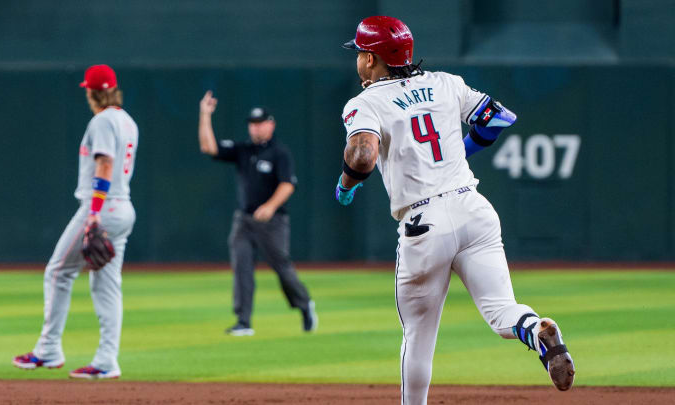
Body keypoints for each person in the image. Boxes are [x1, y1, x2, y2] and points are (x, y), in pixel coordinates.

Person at [335, 16, 575, 404]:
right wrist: (463, 150)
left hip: (423, 224)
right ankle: (537, 330)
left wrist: (345, 183)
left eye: (361, 53)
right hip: (472, 209)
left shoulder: (365, 102)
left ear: (369, 60)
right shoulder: (446, 83)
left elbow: (362, 156)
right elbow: (498, 118)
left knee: (418, 336)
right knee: (502, 312)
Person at [13, 64, 138, 380]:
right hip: (124, 208)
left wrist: (94, 214)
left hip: (102, 208)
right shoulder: (127, 121)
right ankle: (107, 360)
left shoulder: (102, 121)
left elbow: (105, 164)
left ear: (92, 92)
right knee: (107, 284)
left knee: (59, 271)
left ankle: (48, 350)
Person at [198, 91, 317, 336]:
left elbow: (287, 184)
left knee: (282, 268)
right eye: (252, 124)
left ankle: (304, 305)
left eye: (260, 123)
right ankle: (243, 321)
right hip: (244, 220)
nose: (255, 128)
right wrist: (205, 115)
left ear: (270, 124)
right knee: (241, 266)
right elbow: (208, 147)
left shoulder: (279, 152)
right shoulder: (244, 150)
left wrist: (270, 206)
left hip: (273, 221)